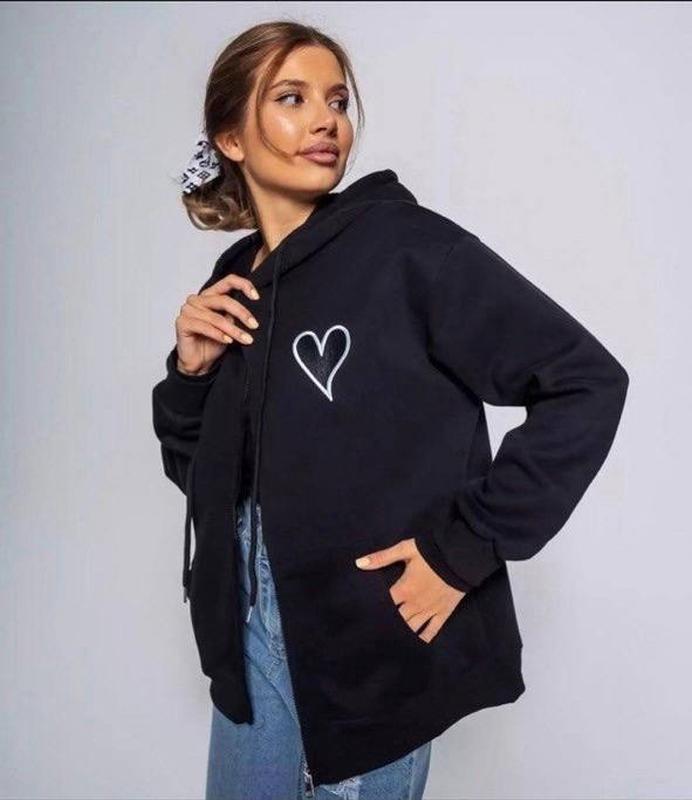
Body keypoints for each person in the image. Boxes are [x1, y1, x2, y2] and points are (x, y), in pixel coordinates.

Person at [151, 20, 629, 800]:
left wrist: (463, 549)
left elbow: (585, 381)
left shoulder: (408, 249)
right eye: (292, 98)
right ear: (230, 137)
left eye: (337, 100)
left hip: (370, 642)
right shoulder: (235, 280)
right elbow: (206, 478)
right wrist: (190, 374)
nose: (325, 120)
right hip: (249, 635)